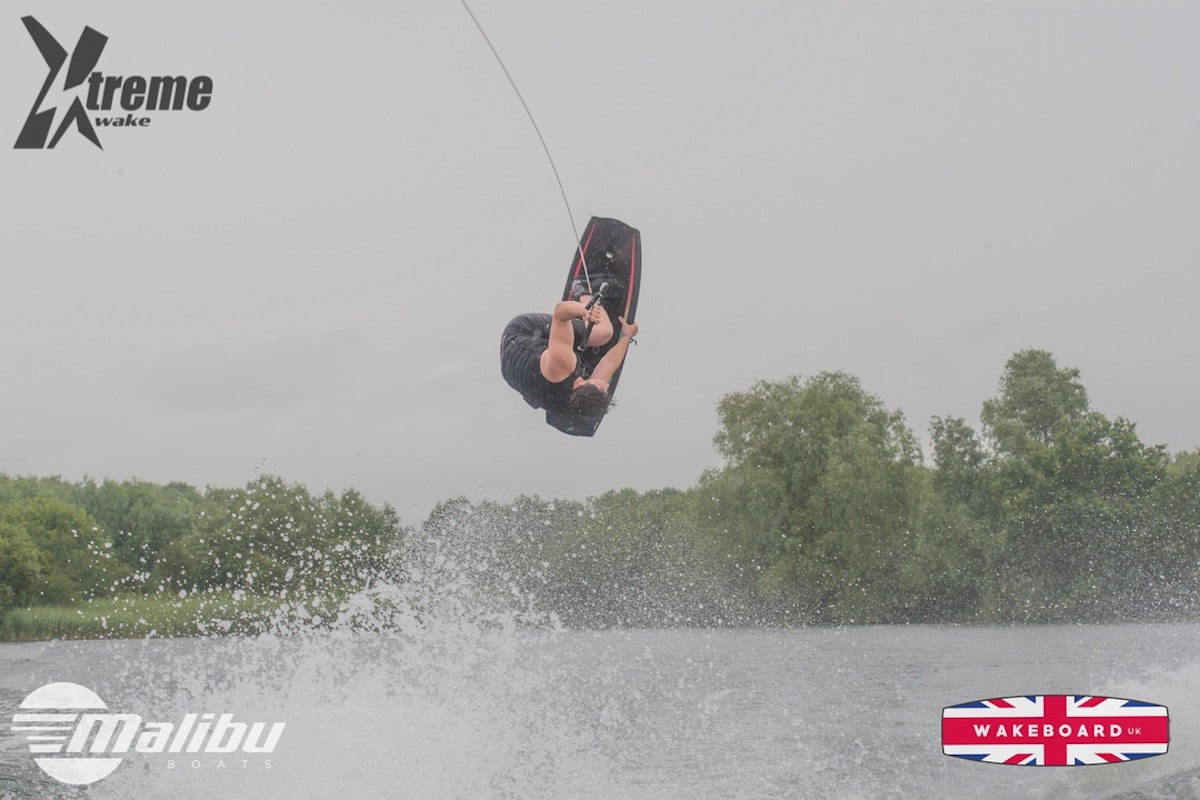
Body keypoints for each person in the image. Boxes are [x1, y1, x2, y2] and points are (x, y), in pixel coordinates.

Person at [500, 281, 639, 425]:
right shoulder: (578, 402)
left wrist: (584, 311)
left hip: (519, 334)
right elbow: (609, 363)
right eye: (605, 389)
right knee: (585, 368)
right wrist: (627, 336)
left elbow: (560, 313)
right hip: (510, 374)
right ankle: (573, 344)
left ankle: (580, 289)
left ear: (580, 385)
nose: (606, 386)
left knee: (604, 333)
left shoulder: (564, 363)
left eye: (601, 387)